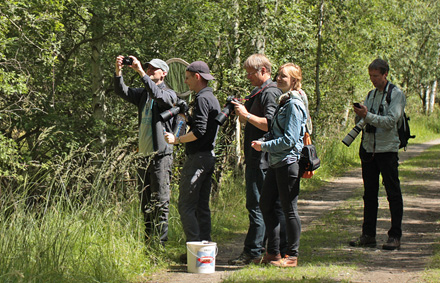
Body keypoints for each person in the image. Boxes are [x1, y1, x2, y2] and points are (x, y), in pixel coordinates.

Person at [114, 55, 177, 245]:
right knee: (146, 201)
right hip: (143, 155)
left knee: (160, 200)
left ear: (163, 74)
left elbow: (159, 97)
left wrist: (140, 72)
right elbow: (122, 91)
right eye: (148, 68)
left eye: (153, 69)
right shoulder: (143, 94)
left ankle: (161, 243)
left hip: (161, 155)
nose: (149, 71)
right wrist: (118, 71)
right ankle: (149, 242)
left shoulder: (170, 94)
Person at [251, 62, 307, 267]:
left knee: (289, 209)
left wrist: (264, 145)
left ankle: (291, 256)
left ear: (294, 80)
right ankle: (273, 253)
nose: (279, 78)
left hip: (288, 162)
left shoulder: (294, 104)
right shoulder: (284, 100)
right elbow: (279, 133)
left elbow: (290, 140)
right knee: (266, 204)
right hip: (276, 162)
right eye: (279, 75)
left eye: (284, 76)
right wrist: (265, 140)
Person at [228, 54, 282, 265]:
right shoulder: (257, 92)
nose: (248, 77)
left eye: (251, 73)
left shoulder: (270, 93)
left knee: (257, 205)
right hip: (256, 157)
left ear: (263, 71)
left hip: (262, 158)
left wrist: (247, 115)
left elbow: (270, 124)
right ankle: (265, 249)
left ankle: (253, 251)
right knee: (262, 205)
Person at [164, 61, 220, 254]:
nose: (185, 81)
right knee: (201, 207)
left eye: (187, 77)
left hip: (198, 158)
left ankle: (194, 252)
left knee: (186, 206)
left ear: (197, 77)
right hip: (207, 157)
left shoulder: (203, 99)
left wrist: (177, 139)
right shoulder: (210, 97)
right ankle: (205, 250)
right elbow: (201, 125)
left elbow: (200, 131)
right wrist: (186, 116)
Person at [349, 58, 405, 250]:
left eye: (376, 76)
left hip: (387, 150)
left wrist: (368, 116)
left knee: (393, 193)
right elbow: (364, 120)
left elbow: (390, 121)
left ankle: (395, 236)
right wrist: (360, 114)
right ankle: (368, 235)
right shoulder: (370, 94)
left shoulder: (396, 94)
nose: (373, 79)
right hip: (368, 150)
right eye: (370, 76)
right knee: (369, 194)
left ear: (385, 74)